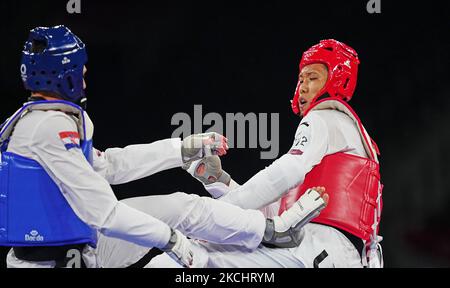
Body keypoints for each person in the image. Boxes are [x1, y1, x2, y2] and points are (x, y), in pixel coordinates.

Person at [0, 25, 328, 268]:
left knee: (184, 206)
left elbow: (108, 167)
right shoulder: (50, 128)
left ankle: (272, 230)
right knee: (171, 254)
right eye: (80, 69)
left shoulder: (49, 120)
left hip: (82, 248)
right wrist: (170, 239)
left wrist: (182, 148)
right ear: (66, 73)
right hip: (54, 261)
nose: (85, 76)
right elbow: (106, 213)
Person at [149, 39, 384, 268]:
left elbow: (285, 173)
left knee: (181, 261)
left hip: (319, 248)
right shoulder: (341, 136)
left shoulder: (325, 117)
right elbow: (276, 212)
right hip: (332, 253)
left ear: (335, 81)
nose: (302, 86)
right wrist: (221, 183)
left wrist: (214, 215)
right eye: (301, 78)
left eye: (313, 78)